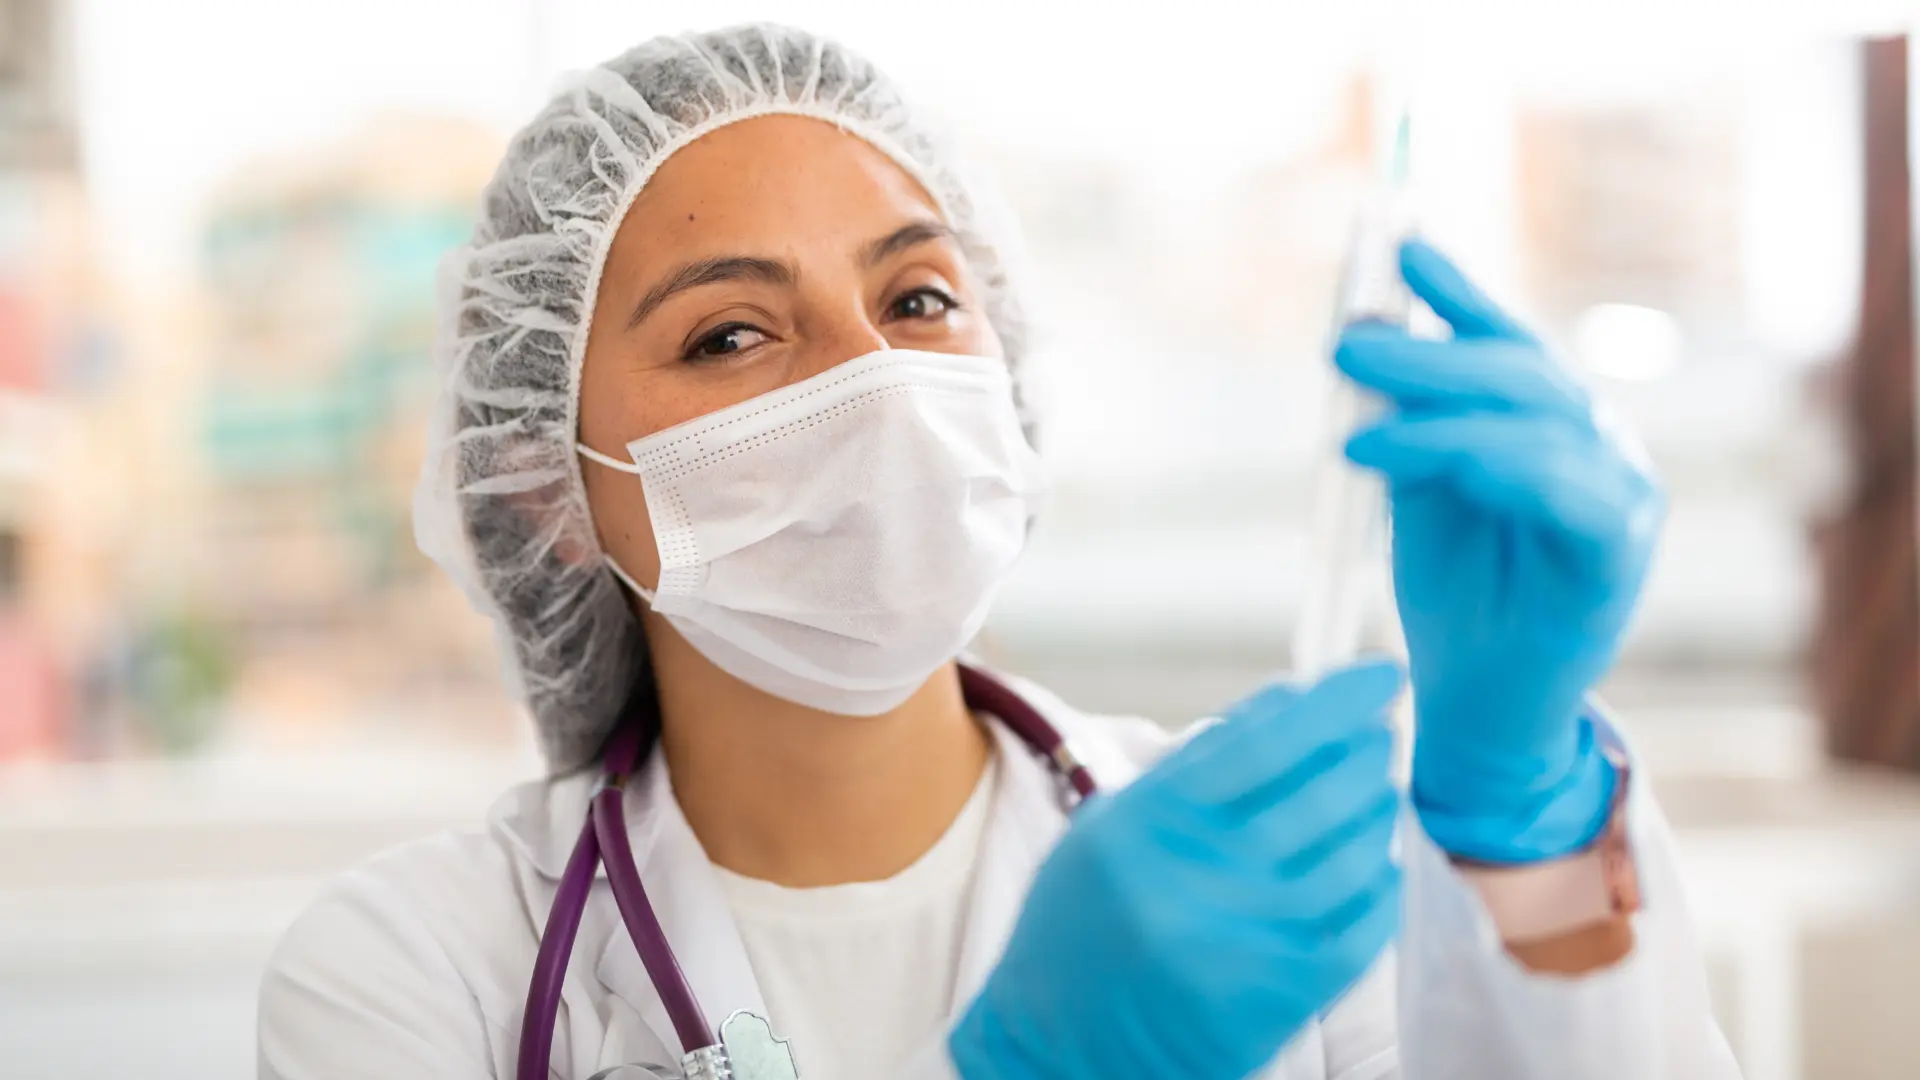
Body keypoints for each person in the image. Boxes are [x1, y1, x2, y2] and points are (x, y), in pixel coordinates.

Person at [256, 23, 1739, 1080]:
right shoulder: (415, 975)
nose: (875, 380)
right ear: (539, 486)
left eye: (914, 302)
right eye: (731, 332)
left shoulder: (1258, 856)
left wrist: (1520, 817)